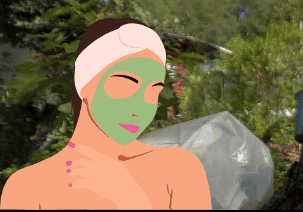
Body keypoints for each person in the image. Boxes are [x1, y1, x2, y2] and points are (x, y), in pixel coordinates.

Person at [0, 17, 212, 210]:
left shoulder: (179, 169)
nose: (140, 108)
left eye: (153, 91)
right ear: (84, 83)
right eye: (126, 85)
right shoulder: (27, 188)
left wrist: (130, 199)